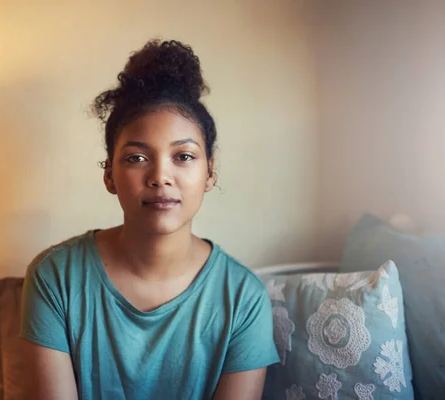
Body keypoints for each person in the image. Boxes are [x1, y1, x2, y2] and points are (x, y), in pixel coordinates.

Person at [20, 39, 279, 400]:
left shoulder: (243, 299)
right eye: (137, 158)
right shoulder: (55, 278)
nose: (160, 176)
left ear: (209, 174)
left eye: (184, 156)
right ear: (109, 174)